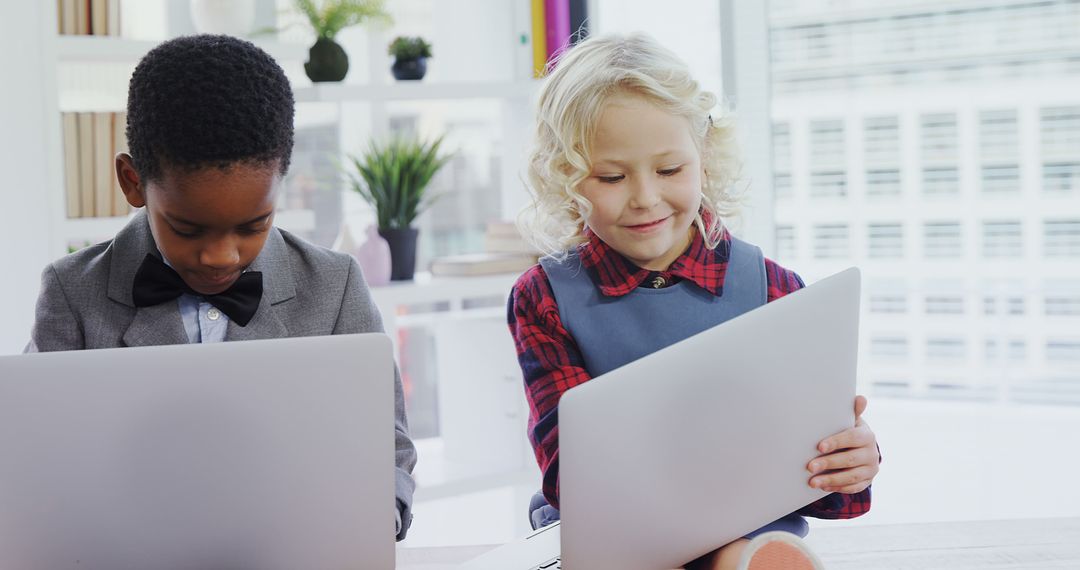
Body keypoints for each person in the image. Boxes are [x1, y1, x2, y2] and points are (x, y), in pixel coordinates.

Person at [507, 32, 880, 569]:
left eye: (670, 169)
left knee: (747, 552)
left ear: (704, 158)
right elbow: (575, 480)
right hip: (610, 538)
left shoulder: (775, 289)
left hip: (747, 535)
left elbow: (828, 489)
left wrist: (851, 460)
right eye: (611, 176)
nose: (645, 197)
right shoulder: (543, 298)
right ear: (564, 177)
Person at [26, 35, 417, 540]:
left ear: (280, 182)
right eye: (188, 229)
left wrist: (371, 516)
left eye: (253, 224)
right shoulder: (71, 295)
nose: (221, 257)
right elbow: (37, 456)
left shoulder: (334, 285)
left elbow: (388, 445)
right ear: (131, 181)